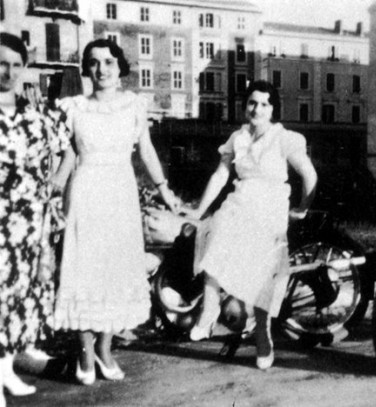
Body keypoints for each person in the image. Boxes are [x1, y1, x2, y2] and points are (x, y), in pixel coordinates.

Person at [51, 39, 180, 385]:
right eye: (94, 63)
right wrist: (50, 192)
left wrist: (165, 191)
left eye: (109, 62)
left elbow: (147, 151)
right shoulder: (74, 107)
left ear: (120, 67)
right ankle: (84, 353)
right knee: (83, 271)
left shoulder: (134, 105)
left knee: (114, 272)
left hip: (120, 196)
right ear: (86, 69)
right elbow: (68, 157)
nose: (102, 69)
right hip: (85, 195)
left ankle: (104, 349)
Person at [183, 80, 318, 370]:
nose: (257, 109)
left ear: (273, 110)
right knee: (214, 227)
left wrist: (303, 208)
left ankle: (262, 336)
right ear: (245, 107)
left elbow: (309, 175)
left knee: (262, 272)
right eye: (252, 103)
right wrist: (198, 210)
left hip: (270, 205)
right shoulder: (238, 137)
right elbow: (220, 176)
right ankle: (209, 309)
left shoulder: (285, 138)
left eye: (265, 104)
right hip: (241, 199)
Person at [0, 32, 69, 402]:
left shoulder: (36, 115)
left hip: (30, 223)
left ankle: (6, 368)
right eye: (1, 63)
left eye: (15, 64)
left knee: (22, 295)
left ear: (24, 68)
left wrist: (56, 183)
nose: (7, 71)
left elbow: (68, 152)